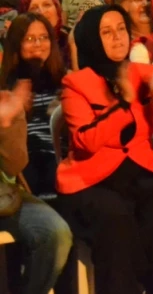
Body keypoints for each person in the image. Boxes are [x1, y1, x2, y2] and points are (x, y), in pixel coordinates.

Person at [54, 5, 153, 294]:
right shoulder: (76, 84)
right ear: (92, 39)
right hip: (91, 179)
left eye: (121, 29)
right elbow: (86, 142)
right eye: (107, 32)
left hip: (138, 170)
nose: (118, 38)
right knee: (115, 215)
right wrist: (123, 106)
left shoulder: (144, 73)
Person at [0, 70, 71, 294]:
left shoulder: (6, 102)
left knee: (55, 233)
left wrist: (7, 124)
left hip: (5, 195)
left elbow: (15, 166)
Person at [0, 13, 65, 198]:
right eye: (29, 39)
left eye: (44, 38)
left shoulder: (64, 80)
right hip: (24, 161)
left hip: (60, 156)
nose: (38, 44)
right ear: (16, 44)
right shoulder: (6, 88)